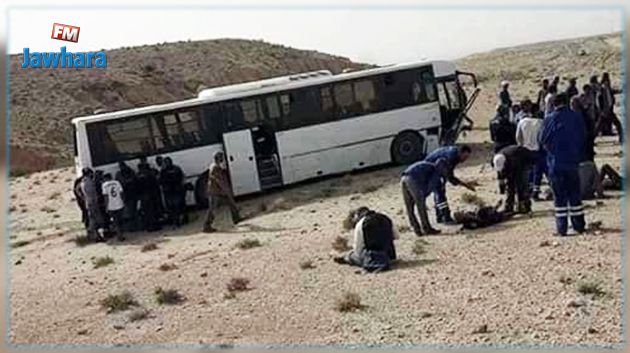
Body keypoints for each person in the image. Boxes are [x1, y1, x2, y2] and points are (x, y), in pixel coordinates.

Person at [539, 93, 587, 236]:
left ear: (553, 104)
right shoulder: (576, 117)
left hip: (556, 163)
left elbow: (542, 139)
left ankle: (562, 229)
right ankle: (579, 225)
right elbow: (584, 136)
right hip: (572, 163)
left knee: (559, 197)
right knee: (575, 195)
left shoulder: (549, 119)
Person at [333, 207, 398, 272]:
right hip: (388, 255)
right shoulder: (385, 218)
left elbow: (358, 249)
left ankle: (346, 258)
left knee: (352, 256)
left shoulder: (360, 224)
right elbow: (396, 236)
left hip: (371, 257)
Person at [423, 145, 475, 224]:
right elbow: (450, 177)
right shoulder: (451, 156)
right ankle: (445, 217)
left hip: (437, 168)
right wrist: (465, 185)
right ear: (461, 153)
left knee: (439, 191)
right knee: (440, 192)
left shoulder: (455, 155)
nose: (465, 160)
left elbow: (448, 174)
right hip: (430, 170)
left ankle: (439, 216)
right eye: (465, 156)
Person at [401, 158, 450, 236]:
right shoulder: (436, 171)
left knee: (409, 207)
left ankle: (416, 230)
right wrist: (422, 197)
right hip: (412, 180)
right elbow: (429, 187)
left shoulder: (429, 165)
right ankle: (427, 228)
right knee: (421, 206)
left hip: (404, 177)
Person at [203, 151, 242, 232]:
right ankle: (207, 226)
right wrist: (227, 191)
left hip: (218, 191)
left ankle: (236, 218)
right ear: (218, 158)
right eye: (221, 157)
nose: (223, 159)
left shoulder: (215, 166)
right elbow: (221, 182)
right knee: (212, 209)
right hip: (214, 192)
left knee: (231, 203)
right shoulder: (215, 168)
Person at [515, 101, 545, 199]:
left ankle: (527, 189)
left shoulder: (522, 122)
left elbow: (518, 137)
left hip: (525, 149)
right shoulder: (540, 122)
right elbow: (542, 137)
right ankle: (536, 191)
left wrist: (521, 146)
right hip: (537, 149)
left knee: (527, 170)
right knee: (538, 170)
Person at [493, 145, 535, 214]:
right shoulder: (496, 159)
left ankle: (524, 205)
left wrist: (511, 183)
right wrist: (501, 185)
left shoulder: (513, 160)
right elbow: (500, 173)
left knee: (521, 185)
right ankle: (509, 206)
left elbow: (518, 176)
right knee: (510, 185)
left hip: (524, 159)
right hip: (512, 160)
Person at [159, 157, 186, 227]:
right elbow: (182, 178)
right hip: (174, 191)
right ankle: (177, 222)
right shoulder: (176, 168)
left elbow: (160, 181)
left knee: (173, 208)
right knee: (175, 208)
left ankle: (176, 222)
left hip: (171, 192)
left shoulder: (164, 170)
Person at [597, 72, 623, 143]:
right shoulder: (601, 90)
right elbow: (599, 100)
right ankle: (590, 141)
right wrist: (601, 110)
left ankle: (621, 139)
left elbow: (612, 96)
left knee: (618, 125)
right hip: (604, 111)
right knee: (597, 128)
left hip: (609, 110)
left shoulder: (608, 89)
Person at [81, 169, 106, 242]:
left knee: (93, 219)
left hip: (89, 203)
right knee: (97, 220)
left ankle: (95, 235)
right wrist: (96, 201)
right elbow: (91, 193)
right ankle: (95, 234)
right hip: (92, 203)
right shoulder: (88, 182)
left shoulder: (84, 181)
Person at [137, 163, 162, 232]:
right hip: (151, 195)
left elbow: (136, 187)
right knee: (153, 211)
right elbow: (155, 184)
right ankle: (155, 226)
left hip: (143, 197)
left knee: (146, 212)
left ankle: (149, 227)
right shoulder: (150, 174)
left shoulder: (137, 176)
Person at [115, 161, 139, 231]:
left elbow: (133, 180)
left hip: (131, 194)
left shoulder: (130, 172)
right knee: (131, 212)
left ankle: (134, 226)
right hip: (127, 195)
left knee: (132, 211)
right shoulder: (120, 174)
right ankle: (133, 226)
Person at [101, 173, 125, 241]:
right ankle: (121, 234)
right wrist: (123, 201)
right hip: (119, 204)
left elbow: (106, 197)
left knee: (115, 221)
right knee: (120, 221)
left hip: (111, 206)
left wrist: (106, 206)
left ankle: (119, 235)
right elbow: (121, 193)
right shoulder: (117, 182)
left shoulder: (104, 185)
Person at [578, 84, 597, 161]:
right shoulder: (581, 97)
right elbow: (582, 107)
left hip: (591, 117)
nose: (589, 91)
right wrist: (586, 107)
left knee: (592, 135)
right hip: (586, 119)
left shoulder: (591, 96)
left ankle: (591, 149)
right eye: (587, 89)